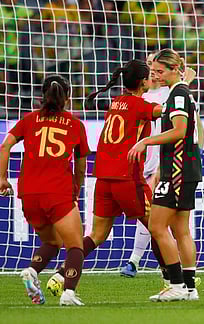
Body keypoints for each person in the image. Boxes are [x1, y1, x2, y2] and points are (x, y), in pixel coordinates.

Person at [47, 59, 165, 296]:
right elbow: (168, 111)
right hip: (127, 177)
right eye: (150, 75)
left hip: (103, 176)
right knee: (159, 227)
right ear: (143, 82)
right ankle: (175, 279)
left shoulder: (115, 103)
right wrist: (182, 87)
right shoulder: (140, 106)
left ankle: (60, 275)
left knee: (97, 234)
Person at [0, 75, 90, 306]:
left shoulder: (29, 120)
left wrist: (2, 179)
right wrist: (76, 189)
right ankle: (68, 294)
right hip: (57, 191)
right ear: (67, 98)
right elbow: (80, 164)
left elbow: (5, 145)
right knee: (75, 245)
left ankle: (32, 270)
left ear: (42, 96)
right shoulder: (75, 124)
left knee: (52, 241)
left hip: (28, 193)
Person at [120, 54, 204, 286]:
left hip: (176, 170)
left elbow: (179, 130)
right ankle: (188, 287)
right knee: (180, 230)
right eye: (152, 70)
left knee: (157, 225)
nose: (154, 75)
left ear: (174, 69)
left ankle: (176, 284)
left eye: (158, 71)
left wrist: (146, 141)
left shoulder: (178, 94)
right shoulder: (180, 92)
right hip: (181, 168)